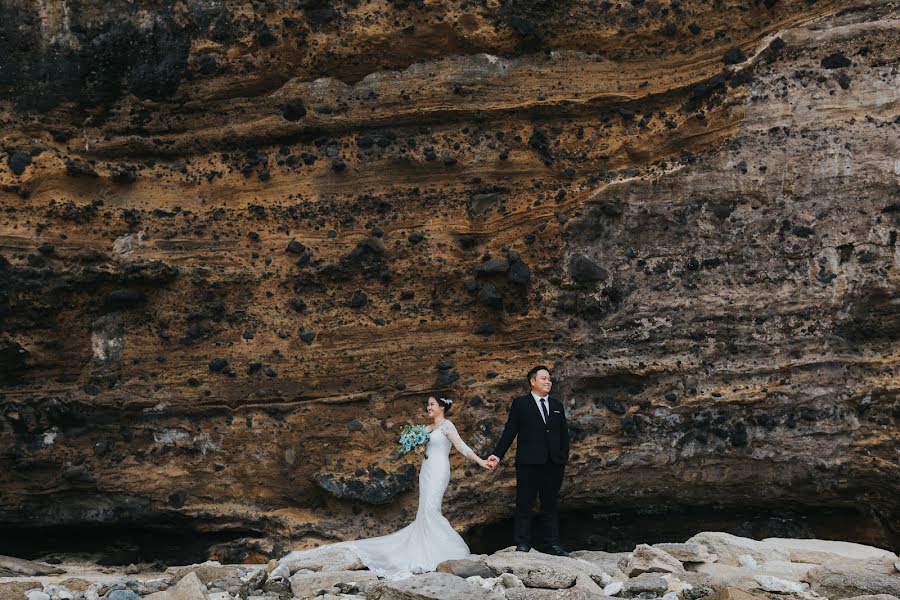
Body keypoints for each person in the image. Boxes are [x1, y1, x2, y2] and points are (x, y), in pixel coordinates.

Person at [335, 396, 492, 579]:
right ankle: (425, 551)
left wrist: (481, 461)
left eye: (432, 404)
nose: (428, 407)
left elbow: (461, 446)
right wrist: (417, 447)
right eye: (427, 404)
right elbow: (423, 453)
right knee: (424, 510)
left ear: (442, 407)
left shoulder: (447, 426)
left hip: (440, 469)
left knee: (432, 509)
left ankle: (443, 552)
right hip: (426, 471)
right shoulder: (425, 429)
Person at [487, 365, 570, 556]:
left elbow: (563, 434)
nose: (548, 381)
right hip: (528, 463)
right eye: (544, 378)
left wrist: (562, 456)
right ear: (532, 382)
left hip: (554, 464)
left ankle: (553, 544)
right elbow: (510, 431)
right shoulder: (520, 404)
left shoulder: (557, 405)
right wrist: (497, 455)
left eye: (549, 378)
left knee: (550, 504)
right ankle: (523, 543)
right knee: (524, 503)